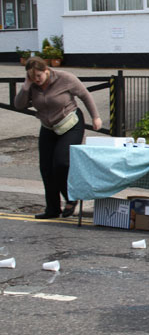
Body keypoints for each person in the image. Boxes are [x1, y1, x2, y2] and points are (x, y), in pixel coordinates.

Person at [14, 57, 102, 219]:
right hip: (49, 126)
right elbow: (19, 105)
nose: (37, 80)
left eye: (39, 76)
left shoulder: (65, 78)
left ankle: (71, 198)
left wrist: (95, 117)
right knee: (46, 168)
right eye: (32, 78)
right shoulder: (32, 85)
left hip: (70, 123)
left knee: (61, 163)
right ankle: (53, 209)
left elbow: (84, 95)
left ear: (46, 70)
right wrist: (26, 87)